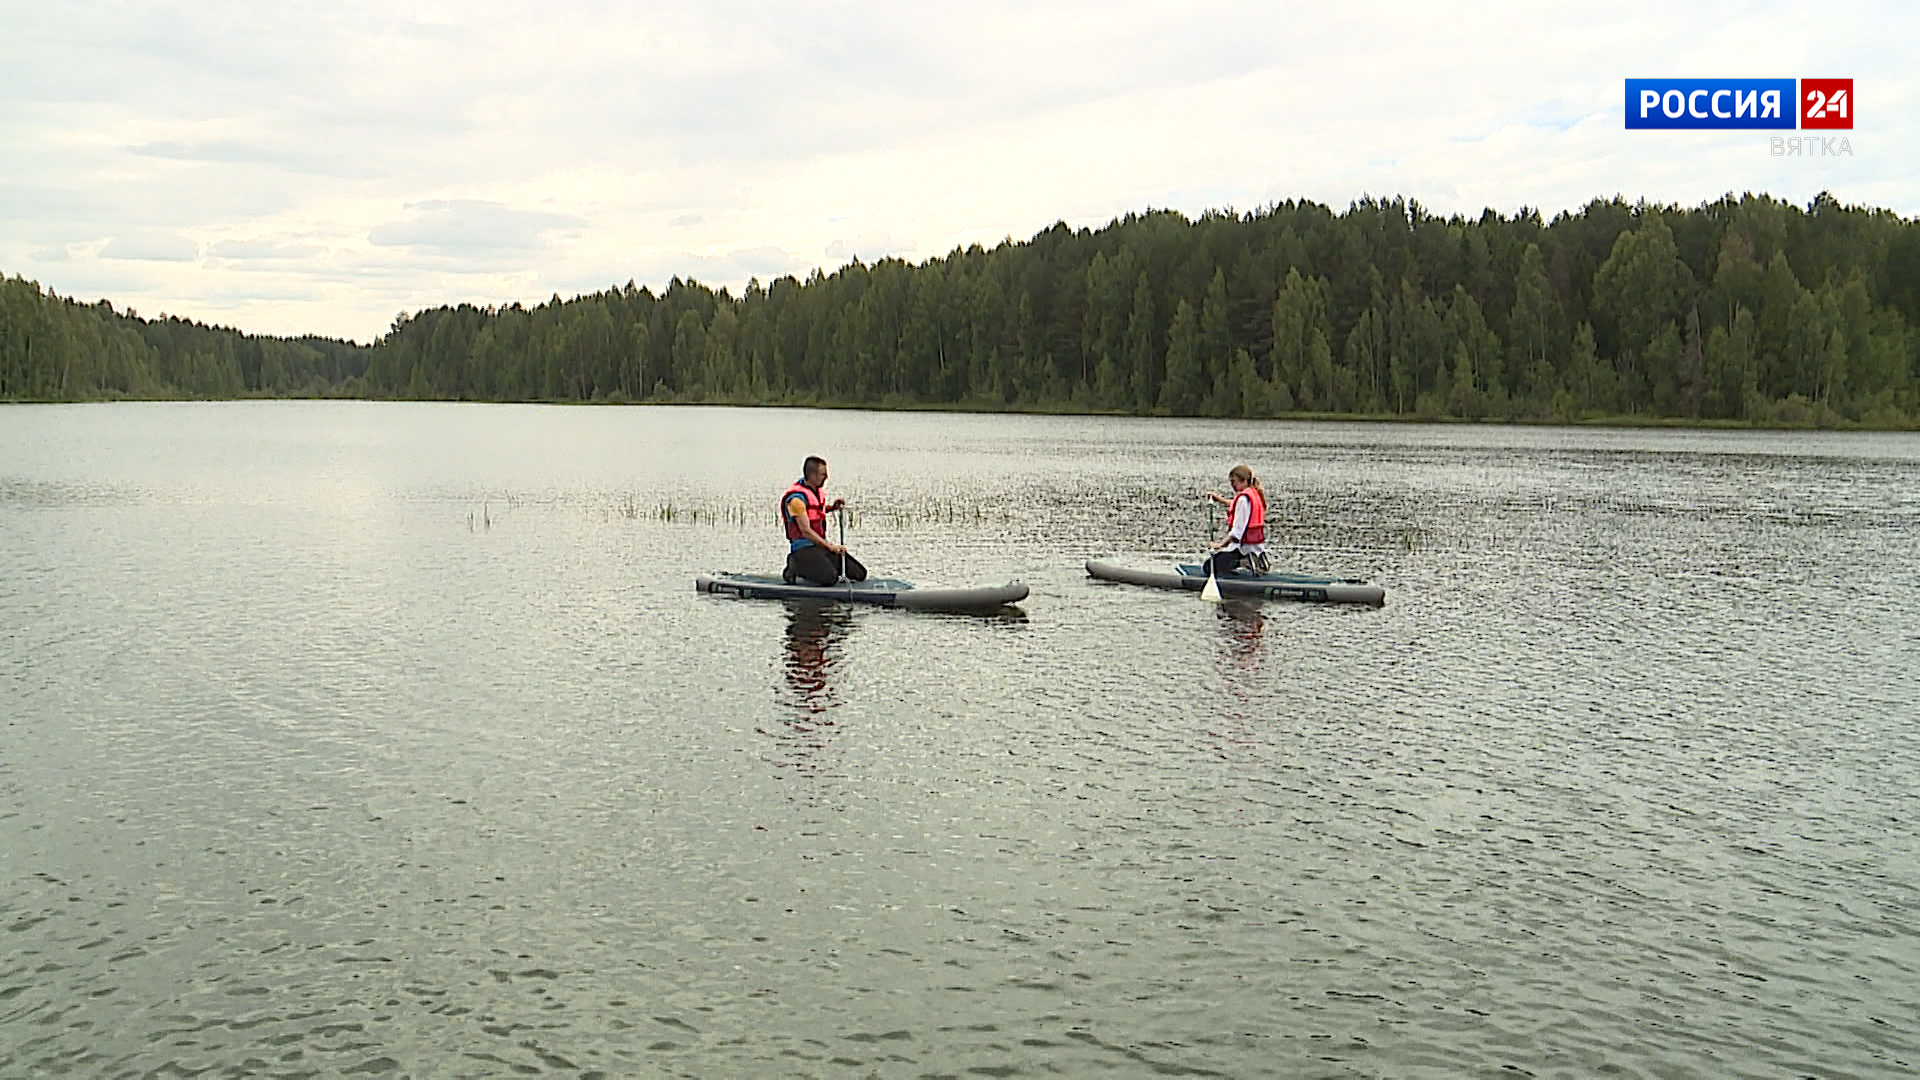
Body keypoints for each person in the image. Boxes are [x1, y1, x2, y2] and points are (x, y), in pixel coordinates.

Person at [781, 455, 868, 587]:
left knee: (859, 573)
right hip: (803, 550)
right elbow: (806, 531)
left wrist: (832, 508)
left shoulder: (815, 491)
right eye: (823, 474)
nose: (826, 477)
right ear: (813, 475)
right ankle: (793, 569)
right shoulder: (796, 501)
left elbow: (815, 512)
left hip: (819, 546)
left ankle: (820, 568)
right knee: (829, 578)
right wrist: (830, 547)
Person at [1202, 464, 1269, 577]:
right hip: (1255, 546)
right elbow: (1234, 504)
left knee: (1209, 566)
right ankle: (1253, 558)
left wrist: (1219, 545)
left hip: (1242, 549)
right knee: (1220, 563)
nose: (1232, 485)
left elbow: (1237, 531)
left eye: (1234, 481)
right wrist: (1217, 498)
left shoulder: (1243, 499)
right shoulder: (1253, 493)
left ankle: (1245, 561)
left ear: (1243, 481)